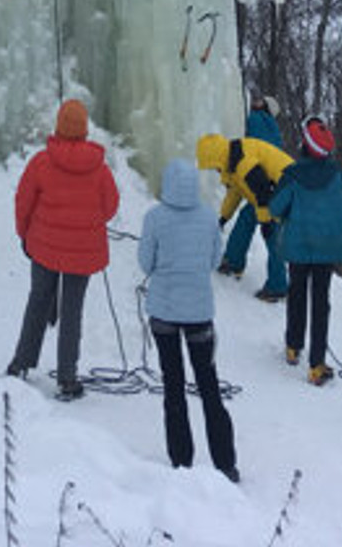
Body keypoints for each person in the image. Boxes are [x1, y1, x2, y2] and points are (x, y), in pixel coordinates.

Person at [7, 99, 118, 400]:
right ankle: (68, 378)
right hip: (82, 252)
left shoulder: (42, 162)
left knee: (38, 302)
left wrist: (26, 237)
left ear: (59, 125)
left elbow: (23, 202)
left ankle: (21, 363)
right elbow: (110, 206)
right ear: (84, 129)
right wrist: (88, 222)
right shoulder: (98, 168)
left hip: (43, 247)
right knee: (72, 312)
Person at [138, 155, 239, 482]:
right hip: (199, 313)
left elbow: (145, 263)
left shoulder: (154, 219)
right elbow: (214, 258)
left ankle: (182, 462)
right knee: (209, 385)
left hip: (164, 312)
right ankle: (225, 463)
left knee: (174, 385)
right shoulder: (208, 218)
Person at [269, 115, 342, 385]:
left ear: (305, 144)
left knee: (296, 293)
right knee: (321, 302)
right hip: (328, 247)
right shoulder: (338, 175)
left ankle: (292, 347)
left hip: (298, 246)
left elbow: (275, 208)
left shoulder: (292, 175)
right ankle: (316, 364)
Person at [196, 123, 292, 281]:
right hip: (272, 191)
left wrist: (265, 221)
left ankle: (278, 286)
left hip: (288, 190)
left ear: (218, 159)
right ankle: (233, 262)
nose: (215, 170)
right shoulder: (233, 159)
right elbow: (236, 191)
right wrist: (223, 218)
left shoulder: (244, 163)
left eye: (214, 166)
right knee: (246, 216)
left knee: (272, 234)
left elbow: (263, 191)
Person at [217, 96, 290, 301]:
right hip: (268, 184)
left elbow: (244, 174)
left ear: (264, 108)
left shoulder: (256, 120)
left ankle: (275, 284)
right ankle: (234, 261)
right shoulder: (274, 130)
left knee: (268, 228)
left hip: (265, 186)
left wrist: (223, 217)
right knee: (250, 218)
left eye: (259, 102)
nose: (255, 103)